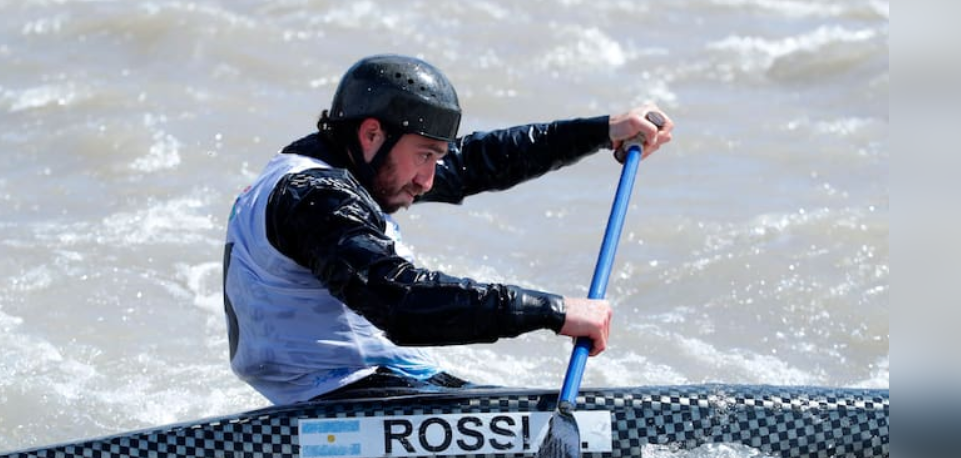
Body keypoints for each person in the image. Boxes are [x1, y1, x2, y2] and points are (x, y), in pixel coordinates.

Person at [223, 54, 673, 405]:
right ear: (371, 134)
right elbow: (401, 302)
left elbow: (480, 160)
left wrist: (603, 131)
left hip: (367, 393)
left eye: (436, 158)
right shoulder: (317, 198)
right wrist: (551, 311)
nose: (429, 179)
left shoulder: (335, 174)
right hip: (340, 403)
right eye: (424, 156)